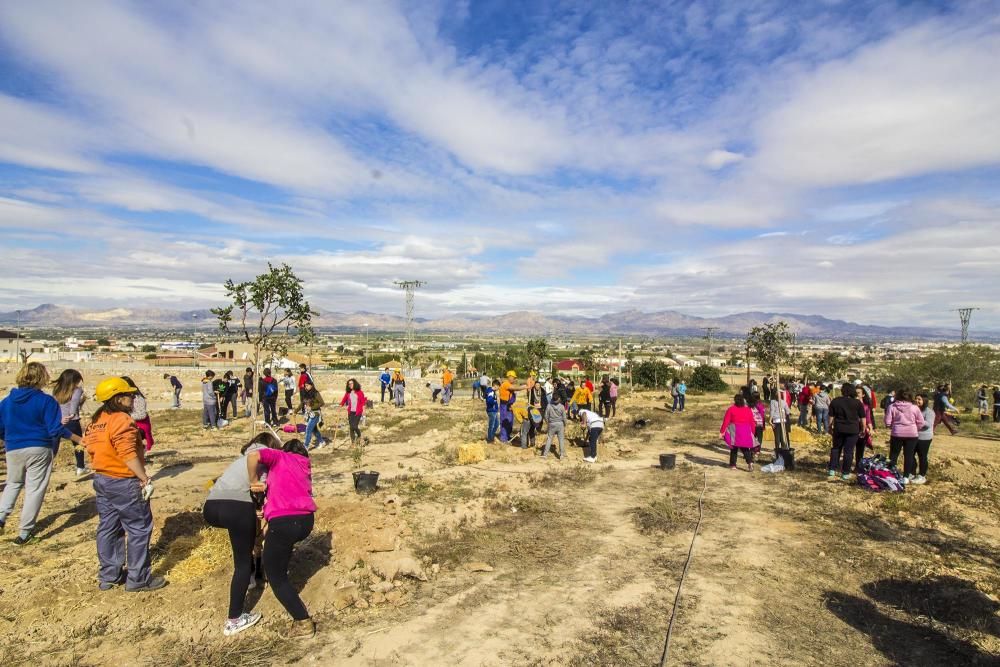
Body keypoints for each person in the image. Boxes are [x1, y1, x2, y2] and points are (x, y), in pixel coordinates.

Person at [83, 377, 164, 591]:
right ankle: (139, 579)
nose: (133, 397)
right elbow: (127, 454)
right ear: (118, 398)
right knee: (139, 528)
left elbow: (88, 446)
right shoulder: (122, 420)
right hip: (123, 480)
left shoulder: (97, 420)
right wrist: (144, 478)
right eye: (129, 395)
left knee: (109, 527)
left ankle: (110, 574)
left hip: (102, 479)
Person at [203, 432, 282, 636]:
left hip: (211, 507)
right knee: (242, 563)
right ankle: (234, 619)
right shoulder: (262, 458)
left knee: (240, 545)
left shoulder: (239, 460)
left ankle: (249, 580)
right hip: (237, 507)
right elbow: (261, 489)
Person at [0, 362, 84, 543]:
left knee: (13, 483)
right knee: (34, 490)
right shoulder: (46, 401)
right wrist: (78, 439)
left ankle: (1, 517)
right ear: (41, 378)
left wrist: (10, 439)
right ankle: (24, 533)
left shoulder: (6, 402)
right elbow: (55, 429)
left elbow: (1, 429)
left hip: (13, 448)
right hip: (39, 447)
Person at [246, 439, 318, 637]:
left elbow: (253, 455)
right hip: (305, 521)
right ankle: (282, 569)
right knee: (277, 546)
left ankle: (302, 621)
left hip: (285, 521)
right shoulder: (304, 465)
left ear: (285, 450)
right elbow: (285, 489)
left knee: (275, 575)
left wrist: (253, 481)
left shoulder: (280, 456)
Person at [53, 368, 89, 476]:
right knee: (78, 443)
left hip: (58, 421)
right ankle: (80, 467)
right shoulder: (77, 390)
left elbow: (55, 405)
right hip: (71, 421)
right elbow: (74, 404)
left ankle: (47, 465)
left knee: (54, 445)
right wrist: (72, 414)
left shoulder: (56, 389)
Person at [827, 383, 867, 481]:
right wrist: (863, 429)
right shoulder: (857, 403)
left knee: (836, 449)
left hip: (839, 428)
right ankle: (845, 473)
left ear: (842, 391)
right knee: (848, 451)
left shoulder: (835, 401)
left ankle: (832, 470)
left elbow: (831, 416)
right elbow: (863, 418)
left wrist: (829, 427)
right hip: (853, 430)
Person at [885, 389, 925, 485]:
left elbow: (887, 422)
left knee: (893, 455)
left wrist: (893, 427)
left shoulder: (892, 407)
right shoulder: (915, 408)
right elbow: (921, 422)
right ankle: (906, 477)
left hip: (896, 434)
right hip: (911, 434)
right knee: (909, 455)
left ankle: (891, 475)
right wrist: (916, 429)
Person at [720, 394, 757, 471]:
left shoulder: (731, 409)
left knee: (734, 448)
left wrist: (722, 431)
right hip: (745, 430)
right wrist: (752, 432)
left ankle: (733, 465)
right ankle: (750, 462)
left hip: (735, 430)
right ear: (743, 400)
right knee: (745, 448)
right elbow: (752, 422)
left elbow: (726, 421)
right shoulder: (748, 410)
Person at [121, 377, 154, 453]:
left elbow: (142, 415)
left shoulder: (138, 398)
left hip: (140, 426)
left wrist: (126, 416)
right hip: (130, 424)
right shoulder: (124, 398)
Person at [498, 371, 527, 442]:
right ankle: (504, 438)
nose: (514, 379)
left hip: (510, 406)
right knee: (505, 422)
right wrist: (524, 387)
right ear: (509, 377)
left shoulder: (509, 384)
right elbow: (516, 388)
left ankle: (507, 435)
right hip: (504, 406)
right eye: (514, 378)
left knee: (510, 422)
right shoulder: (506, 384)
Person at [914, 394, 934, 484]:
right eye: (916, 399)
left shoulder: (929, 412)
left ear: (924, 401)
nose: (917, 401)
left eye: (919, 399)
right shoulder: (913, 410)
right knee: (910, 455)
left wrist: (917, 419)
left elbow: (928, 424)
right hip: (913, 436)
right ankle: (911, 473)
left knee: (922, 456)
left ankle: (922, 475)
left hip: (924, 437)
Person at [301, 380, 327, 450]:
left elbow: (322, 403)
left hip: (315, 414)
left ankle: (306, 446)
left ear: (311, 385)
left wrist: (312, 407)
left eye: (307, 385)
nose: (306, 387)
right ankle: (322, 441)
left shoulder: (316, 393)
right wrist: (295, 411)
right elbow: (302, 403)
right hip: (309, 414)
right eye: (305, 386)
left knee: (308, 429)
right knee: (314, 430)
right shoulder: (306, 393)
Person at [339, 379, 366, 445]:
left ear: (355, 384)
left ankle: (360, 436)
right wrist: (341, 404)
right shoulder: (348, 393)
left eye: (351, 383)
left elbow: (363, 402)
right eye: (349, 384)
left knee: (355, 426)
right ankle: (353, 442)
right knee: (351, 427)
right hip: (350, 412)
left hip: (358, 412)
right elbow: (344, 399)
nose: (350, 385)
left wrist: (364, 410)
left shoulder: (360, 392)